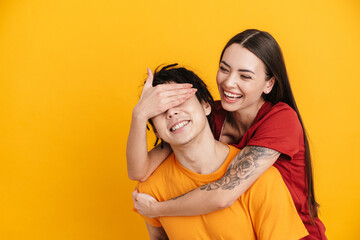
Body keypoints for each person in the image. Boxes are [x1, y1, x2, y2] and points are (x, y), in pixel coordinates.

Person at [127, 29, 326, 239]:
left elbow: (224, 193)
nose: (229, 82)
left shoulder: (281, 120)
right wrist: (140, 115)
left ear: (269, 84)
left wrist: (157, 210)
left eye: (245, 75)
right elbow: (139, 171)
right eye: (224, 69)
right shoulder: (205, 117)